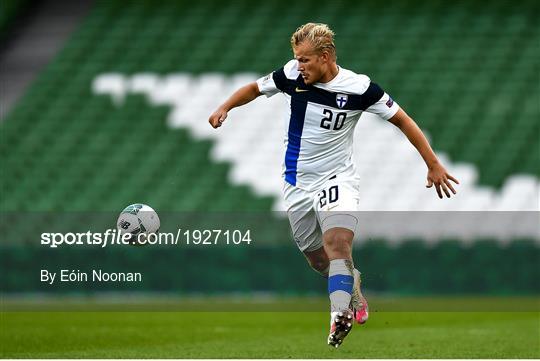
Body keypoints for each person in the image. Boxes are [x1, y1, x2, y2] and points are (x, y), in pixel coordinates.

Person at [209, 23, 459, 348]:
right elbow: (256, 88)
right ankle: (351, 286)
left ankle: (338, 314)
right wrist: (225, 106)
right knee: (318, 260)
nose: (299, 67)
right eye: (297, 60)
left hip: (337, 178)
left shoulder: (360, 88)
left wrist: (433, 163)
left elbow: (402, 119)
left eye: (305, 60)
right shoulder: (290, 76)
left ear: (325, 56)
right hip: (296, 183)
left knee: (337, 243)